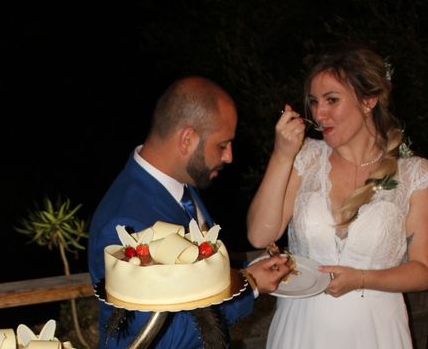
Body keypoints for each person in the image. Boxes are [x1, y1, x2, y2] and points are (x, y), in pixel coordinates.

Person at [247, 44, 428, 348]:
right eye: (313, 102)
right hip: (301, 328)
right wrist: (281, 155)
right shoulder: (306, 157)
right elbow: (260, 235)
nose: (318, 113)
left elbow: (425, 271)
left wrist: (362, 279)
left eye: (332, 100)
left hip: (375, 331)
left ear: (369, 101)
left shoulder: (414, 175)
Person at [88, 76, 290, 349]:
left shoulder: (179, 187)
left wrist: (245, 273)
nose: (229, 156)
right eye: (222, 145)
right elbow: (157, 338)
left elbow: (193, 282)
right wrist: (250, 287)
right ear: (187, 139)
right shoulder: (125, 223)